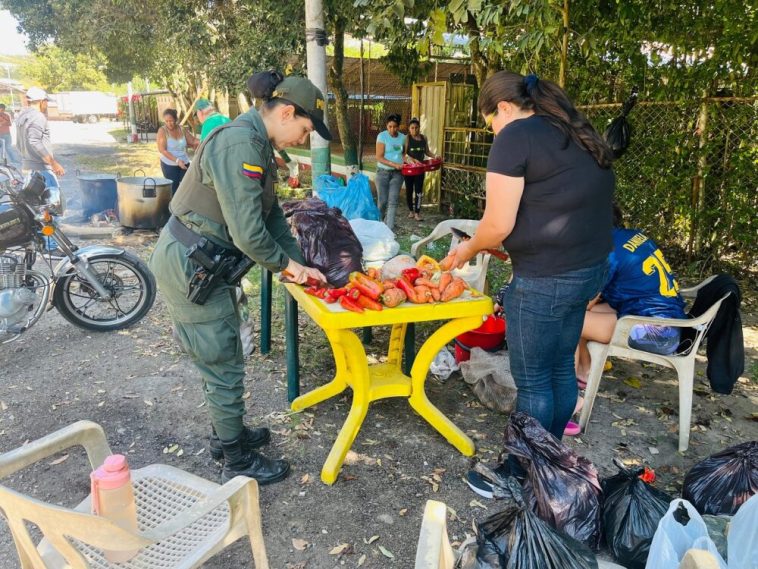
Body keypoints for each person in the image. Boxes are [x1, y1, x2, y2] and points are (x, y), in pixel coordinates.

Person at [148, 71, 329, 485]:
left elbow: (271, 221)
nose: (304, 139)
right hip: (191, 265)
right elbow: (249, 234)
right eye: (304, 128)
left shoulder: (257, 144)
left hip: (208, 265)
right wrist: (286, 268)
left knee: (224, 351)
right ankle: (235, 458)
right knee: (223, 362)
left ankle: (227, 434)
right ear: (286, 112)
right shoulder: (240, 144)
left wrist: (302, 263)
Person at [441, 72, 615, 498]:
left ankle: (520, 472)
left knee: (534, 380)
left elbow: (497, 225)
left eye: (490, 124)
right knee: (559, 369)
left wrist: (466, 251)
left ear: (503, 108)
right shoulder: (574, 130)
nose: (494, 132)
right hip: (588, 272)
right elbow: (552, 205)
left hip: (545, 280)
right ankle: (549, 457)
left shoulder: (516, 136)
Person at [575, 205, 686, 383]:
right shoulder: (633, 235)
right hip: (673, 322)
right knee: (580, 316)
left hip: (661, 336)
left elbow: (582, 303)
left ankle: (567, 390)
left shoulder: (605, 251)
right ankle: (585, 370)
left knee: (567, 320)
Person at [15, 87, 65, 253]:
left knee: (37, 208)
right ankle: (50, 246)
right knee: (50, 207)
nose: (46, 105)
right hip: (41, 169)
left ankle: (43, 241)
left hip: (28, 167)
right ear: (42, 102)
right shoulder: (38, 118)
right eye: (46, 102)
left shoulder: (23, 115)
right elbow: (35, 142)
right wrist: (53, 162)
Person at [156, 108, 199, 195]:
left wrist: (201, 141)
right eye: (166, 121)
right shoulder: (162, 131)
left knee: (187, 186)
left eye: (171, 121)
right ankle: (172, 207)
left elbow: (193, 140)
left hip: (184, 162)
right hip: (169, 164)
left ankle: (183, 207)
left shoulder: (182, 129)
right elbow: (162, 150)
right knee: (173, 188)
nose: (169, 123)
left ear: (175, 120)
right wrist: (177, 161)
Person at [375, 113, 406, 230]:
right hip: (382, 173)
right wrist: (394, 164)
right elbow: (379, 156)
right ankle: (378, 225)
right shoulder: (382, 136)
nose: (392, 129)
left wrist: (406, 162)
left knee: (393, 201)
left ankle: (389, 230)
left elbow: (404, 153)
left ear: (399, 127)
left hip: (397, 174)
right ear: (386, 126)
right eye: (390, 126)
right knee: (382, 202)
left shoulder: (403, 138)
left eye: (395, 126)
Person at [403, 117, 437, 221]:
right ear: (409, 129)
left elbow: (427, 151)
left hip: (420, 169)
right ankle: (411, 211)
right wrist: (411, 159)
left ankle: (417, 213)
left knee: (418, 191)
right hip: (409, 169)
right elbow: (403, 154)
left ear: (419, 128)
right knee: (409, 190)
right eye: (412, 128)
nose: (414, 130)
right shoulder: (407, 138)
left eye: (416, 128)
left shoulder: (423, 138)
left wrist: (435, 156)